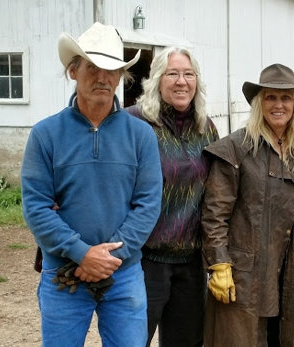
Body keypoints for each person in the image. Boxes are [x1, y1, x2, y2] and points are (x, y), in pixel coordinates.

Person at [20, 22, 163, 346]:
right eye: (93, 67)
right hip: (63, 275)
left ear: (121, 76)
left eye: (112, 69)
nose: (103, 77)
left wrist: (108, 258)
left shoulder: (141, 135)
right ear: (73, 71)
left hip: (123, 275)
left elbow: (149, 204)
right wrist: (81, 253)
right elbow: (36, 206)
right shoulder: (46, 134)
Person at [200, 63, 294, 347]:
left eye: (286, 98)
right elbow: (214, 214)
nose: (278, 105)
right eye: (270, 97)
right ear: (258, 103)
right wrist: (219, 264)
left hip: (286, 272)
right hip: (242, 275)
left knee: (281, 339)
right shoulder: (236, 148)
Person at [126, 46, 219, 347]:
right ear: (157, 80)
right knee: (131, 340)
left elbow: (219, 189)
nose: (182, 81)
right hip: (143, 260)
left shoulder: (206, 128)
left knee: (187, 342)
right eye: (173, 74)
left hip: (190, 263)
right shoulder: (133, 123)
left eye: (188, 74)